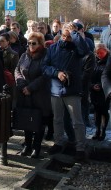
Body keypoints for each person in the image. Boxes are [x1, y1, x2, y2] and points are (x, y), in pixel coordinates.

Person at [43, 23, 89, 162]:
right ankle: (58, 142)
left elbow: (84, 49)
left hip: (72, 89)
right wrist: (57, 73)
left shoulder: (76, 49)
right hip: (56, 89)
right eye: (64, 36)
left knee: (77, 121)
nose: (65, 39)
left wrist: (74, 33)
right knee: (57, 119)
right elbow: (45, 66)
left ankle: (80, 147)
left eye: (68, 37)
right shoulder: (52, 48)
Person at [15, 32, 51, 158]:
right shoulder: (24, 55)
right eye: (29, 43)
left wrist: (31, 87)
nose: (30, 45)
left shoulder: (46, 56)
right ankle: (27, 145)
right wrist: (22, 84)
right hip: (25, 93)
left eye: (33, 43)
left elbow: (45, 75)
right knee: (27, 121)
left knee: (39, 122)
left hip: (39, 94)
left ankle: (37, 147)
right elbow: (18, 70)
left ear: (40, 44)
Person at [90, 44, 110, 140]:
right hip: (94, 90)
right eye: (97, 53)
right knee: (96, 111)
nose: (99, 55)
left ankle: (103, 131)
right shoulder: (94, 61)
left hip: (105, 91)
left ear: (106, 51)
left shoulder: (109, 61)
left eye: (101, 52)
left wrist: (103, 86)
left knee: (104, 111)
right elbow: (89, 77)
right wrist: (92, 86)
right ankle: (97, 130)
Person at [0, 33, 19, 106]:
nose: (0, 43)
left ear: (8, 42)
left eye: (2, 41)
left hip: (9, 81)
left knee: (9, 103)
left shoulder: (13, 54)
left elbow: (15, 69)